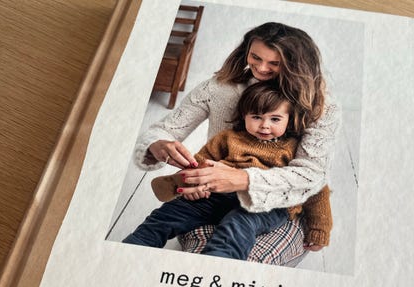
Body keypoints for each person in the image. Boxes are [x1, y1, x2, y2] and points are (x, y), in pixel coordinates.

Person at [133, 22, 340, 257]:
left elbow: (312, 176)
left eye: (274, 63)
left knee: (237, 235)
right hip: (214, 194)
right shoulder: (219, 94)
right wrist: (159, 145)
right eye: (255, 57)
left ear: (297, 66)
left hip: (276, 200)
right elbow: (169, 132)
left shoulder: (321, 108)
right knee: (163, 218)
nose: (261, 68)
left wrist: (242, 180)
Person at [123, 82, 332, 259]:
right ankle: (132, 249)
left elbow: (314, 187)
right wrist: (194, 185)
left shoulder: (293, 148)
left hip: (269, 203)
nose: (264, 125)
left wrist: (319, 228)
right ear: (244, 115)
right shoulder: (229, 138)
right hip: (218, 195)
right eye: (256, 117)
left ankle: (217, 264)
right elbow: (202, 163)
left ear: (289, 119)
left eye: (275, 119)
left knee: (238, 224)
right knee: (170, 213)